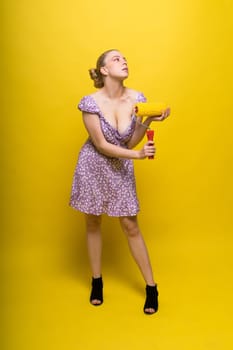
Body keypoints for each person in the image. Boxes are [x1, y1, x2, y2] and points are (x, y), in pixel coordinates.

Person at [69, 49, 170, 314]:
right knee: (93, 221)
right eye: (116, 59)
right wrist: (136, 156)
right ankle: (97, 281)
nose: (123, 60)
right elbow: (102, 146)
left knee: (130, 225)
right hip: (93, 165)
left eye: (125, 58)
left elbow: (128, 140)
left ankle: (151, 288)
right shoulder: (89, 103)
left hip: (121, 163)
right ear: (103, 70)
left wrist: (147, 121)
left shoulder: (137, 98)